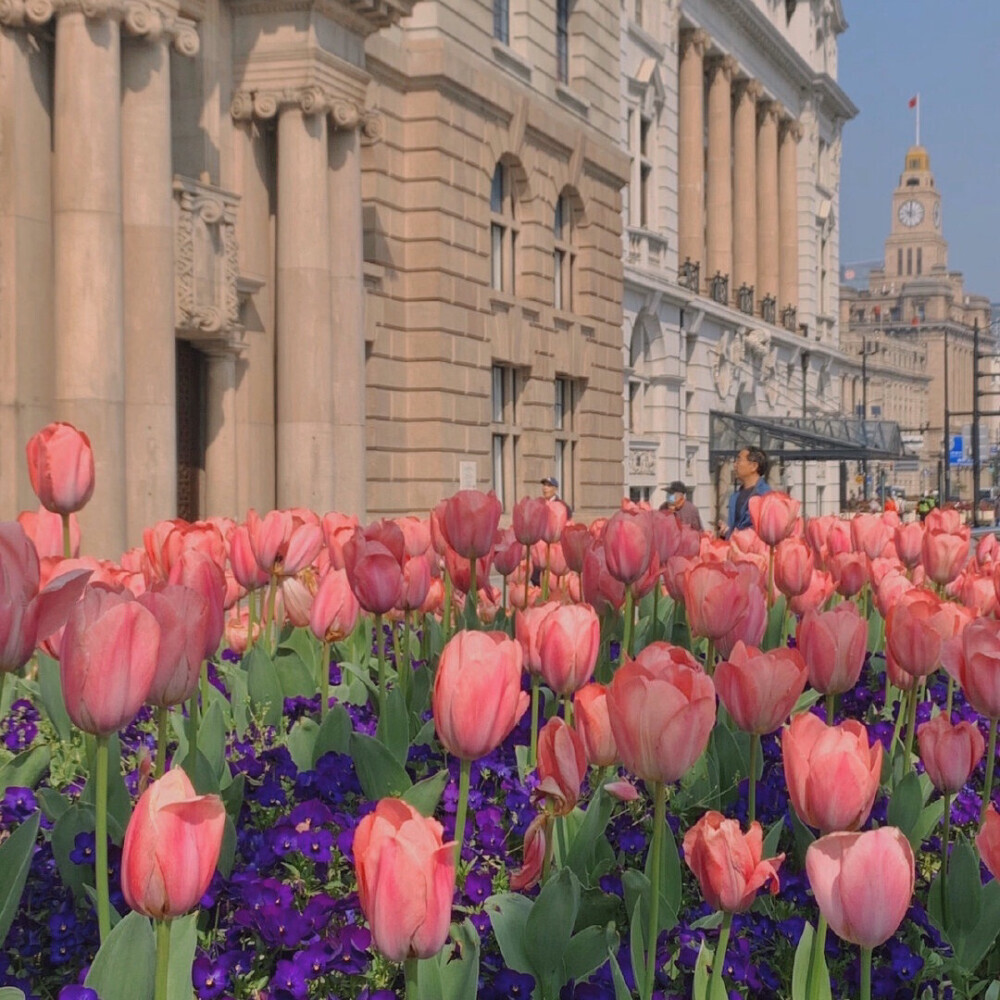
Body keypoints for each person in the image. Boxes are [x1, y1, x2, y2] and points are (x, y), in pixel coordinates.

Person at [723, 446, 772, 536]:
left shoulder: (765, 496)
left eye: (739, 460)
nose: (735, 465)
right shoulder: (735, 496)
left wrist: (730, 533)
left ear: (753, 466)